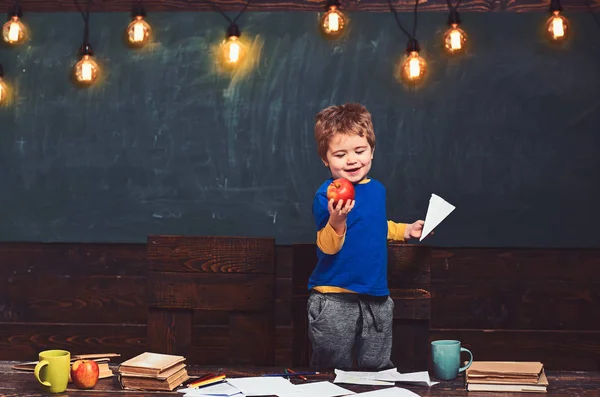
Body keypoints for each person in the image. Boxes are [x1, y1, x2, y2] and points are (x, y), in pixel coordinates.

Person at [308, 103, 425, 370]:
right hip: (335, 297)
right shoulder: (326, 196)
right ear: (325, 159)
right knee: (331, 369)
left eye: (359, 151)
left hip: (376, 297)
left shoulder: (377, 190)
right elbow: (326, 246)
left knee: (376, 367)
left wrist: (405, 230)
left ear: (372, 150)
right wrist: (337, 221)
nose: (351, 160)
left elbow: (375, 225)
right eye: (340, 154)